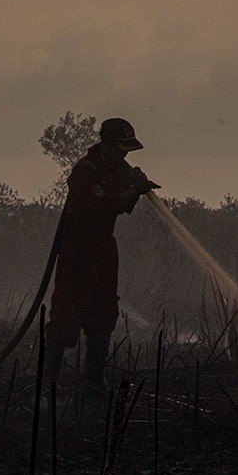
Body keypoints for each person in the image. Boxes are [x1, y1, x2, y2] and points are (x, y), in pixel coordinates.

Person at [44, 118, 161, 384]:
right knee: (65, 316)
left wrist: (137, 184)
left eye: (127, 150)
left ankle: (94, 385)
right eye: (120, 149)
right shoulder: (85, 171)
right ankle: (48, 386)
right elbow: (105, 205)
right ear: (105, 143)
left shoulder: (118, 169)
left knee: (103, 316)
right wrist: (134, 189)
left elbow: (124, 201)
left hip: (104, 250)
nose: (124, 155)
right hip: (78, 252)